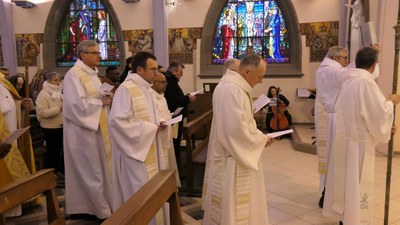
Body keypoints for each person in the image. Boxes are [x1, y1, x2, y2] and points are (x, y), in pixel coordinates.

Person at [322, 47, 400, 224]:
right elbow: (377, 113)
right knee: (356, 183)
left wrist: (386, 127)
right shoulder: (365, 82)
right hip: (359, 144)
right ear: (374, 64)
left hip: (346, 139)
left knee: (347, 183)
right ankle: (355, 220)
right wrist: (391, 102)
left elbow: (362, 113)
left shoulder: (348, 81)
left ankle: (346, 217)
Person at [202, 54, 274, 225]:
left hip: (233, 152)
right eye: (259, 76)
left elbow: (240, 122)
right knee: (234, 205)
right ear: (248, 72)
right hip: (234, 157)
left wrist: (258, 136)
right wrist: (260, 138)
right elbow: (235, 129)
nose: (261, 81)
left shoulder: (233, 87)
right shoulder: (231, 89)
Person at [108, 52, 168, 224]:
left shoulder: (146, 88)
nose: (156, 74)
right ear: (140, 70)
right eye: (153, 69)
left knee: (153, 191)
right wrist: (150, 128)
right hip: (135, 154)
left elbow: (150, 116)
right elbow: (117, 122)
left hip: (149, 146)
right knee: (139, 192)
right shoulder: (126, 89)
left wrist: (160, 123)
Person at [63, 40, 112, 221]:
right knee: (91, 171)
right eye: (94, 53)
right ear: (82, 55)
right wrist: (101, 102)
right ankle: (101, 211)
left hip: (96, 128)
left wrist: (103, 96)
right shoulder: (73, 75)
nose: (99, 56)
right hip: (82, 131)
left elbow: (90, 98)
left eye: (98, 52)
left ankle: (92, 206)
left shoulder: (92, 74)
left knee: (98, 169)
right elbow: (73, 106)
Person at [315, 46, 349, 208]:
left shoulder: (325, 68)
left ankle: (326, 192)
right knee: (333, 158)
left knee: (329, 158)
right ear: (335, 58)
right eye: (344, 58)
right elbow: (354, 74)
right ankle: (327, 194)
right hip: (334, 120)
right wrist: (372, 57)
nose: (346, 62)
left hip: (330, 117)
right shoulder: (331, 70)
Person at [151, 72, 181, 187]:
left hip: (166, 135)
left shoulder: (162, 97)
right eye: (162, 82)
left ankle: (170, 187)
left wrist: (171, 115)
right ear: (153, 83)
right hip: (158, 136)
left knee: (169, 161)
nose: (165, 85)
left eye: (166, 82)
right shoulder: (151, 96)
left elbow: (164, 113)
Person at [164, 60, 196, 162]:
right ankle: (176, 165)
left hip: (177, 118)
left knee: (176, 141)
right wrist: (187, 99)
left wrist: (186, 97)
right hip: (173, 118)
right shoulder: (169, 82)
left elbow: (176, 97)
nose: (181, 75)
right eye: (180, 73)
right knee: (174, 142)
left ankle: (176, 164)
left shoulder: (172, 81)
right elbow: (172, 100)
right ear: (174, 72)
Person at [35, 72, 64, 177]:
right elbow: (42, 113)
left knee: (61, 150)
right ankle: (50, 172)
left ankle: (59, 171)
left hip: (61, 126)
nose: (58, 82)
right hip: (50, 128)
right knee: (52, 151)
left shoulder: (58, 93)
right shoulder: (43, 94)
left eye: (59, 80)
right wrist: (59, 108)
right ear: (48, 81)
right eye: (55, 80)